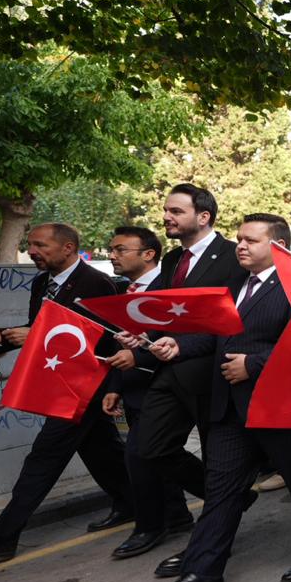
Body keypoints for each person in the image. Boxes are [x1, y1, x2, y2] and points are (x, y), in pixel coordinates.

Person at [139, 214, 291, 582]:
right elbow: (216, 335)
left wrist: (253, 365)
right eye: (239, 238)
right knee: (221, 491)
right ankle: (202, 574)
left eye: (250, 240)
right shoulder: (235, 283)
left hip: (282, 405)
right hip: (231, 408)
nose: (240, 245)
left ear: (279, 246)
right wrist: (179, 346)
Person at [0, 224, 134, 563]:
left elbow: (102, 339)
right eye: (30, 245)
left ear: (67, 247)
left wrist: (35, 335)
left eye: (40, 245)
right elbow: (37, 330)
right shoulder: (42, 283)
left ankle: (2, 537)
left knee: (43, 458)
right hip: (61, 384)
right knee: (101, 451)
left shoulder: (96, 284)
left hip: (86, 387)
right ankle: (134, 503)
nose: (33, 251)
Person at [131, 184, 245, 572]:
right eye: (166, 210)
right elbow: (164, 313)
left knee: (218, 461)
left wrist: (183, 346)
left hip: (213, 374)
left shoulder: (232, 256)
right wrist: (141, 337)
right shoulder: (172, 260)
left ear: (203, 217)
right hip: (168, 372)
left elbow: (232, 321)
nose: (167, 217)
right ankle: (231, 499)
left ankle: (212, 542)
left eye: (176, 211)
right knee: (150, 447)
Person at [94, 226, 197, 560]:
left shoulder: (167, 289)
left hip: (168, 384)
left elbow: (174, 337)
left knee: (140, 455)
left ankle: (149, 526)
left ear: (148, 254)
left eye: (121, 249)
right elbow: (121, 342)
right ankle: (177, 516)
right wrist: (115, 387)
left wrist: (138, 358)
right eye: (111, 249)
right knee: (153, 455)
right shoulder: (124, 291)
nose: (112, 255)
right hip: (134, 387)